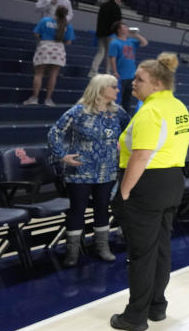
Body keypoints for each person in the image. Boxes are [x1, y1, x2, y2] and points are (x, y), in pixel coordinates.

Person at [109, 53, 189, 331]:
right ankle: (157, 306)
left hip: (146, 184)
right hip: (172, 181)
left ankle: (135, 316)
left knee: (141, 253)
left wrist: (124, 191)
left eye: (139, 79)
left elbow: (141, 156)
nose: (134, 83)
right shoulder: (178, 106)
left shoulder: (150, 111)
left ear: (156, 83)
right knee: (161, 248)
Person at [47, 74, 130, 266]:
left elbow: (131, 131)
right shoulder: (78, 111)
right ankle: (72, 251)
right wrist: (62, 155)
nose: (118, 90)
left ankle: (102, 247)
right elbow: (55, 132)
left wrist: (125, 152)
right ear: (101, 89)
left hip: (107, 171)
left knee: (102, 209)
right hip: (80, 171)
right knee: (77, 210)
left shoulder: (118, 112)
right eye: (114, 87)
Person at [24, 6, 74, 106]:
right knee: (53, 75)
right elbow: (68, 42)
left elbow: (36, 34)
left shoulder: (45, 20)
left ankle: (34, 98)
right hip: (59, 49)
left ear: (55, 12)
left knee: (39, 73)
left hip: (45, 47)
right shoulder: (67, 25)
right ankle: (48, 99)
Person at [108, 21, 149, 115]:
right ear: (118, 30)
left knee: (128, 99)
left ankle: (125, 117)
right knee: (117, 98)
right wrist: (114, 71)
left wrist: (136, 34)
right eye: (124, 27)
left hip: (131, 75)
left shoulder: (131, 41)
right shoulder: (114, 43)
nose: (127, 29)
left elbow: (145, 42)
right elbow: (112, 58)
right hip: (120, 75)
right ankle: (114, 115)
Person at [90, 0, 123, 76]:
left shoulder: (103, 6)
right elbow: (117, 22)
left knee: (100, 51)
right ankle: (107, 72)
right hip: (111, 34)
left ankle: (93, 71)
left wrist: (98, 32)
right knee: (109, 53)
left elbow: (99, 20)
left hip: (101, 32)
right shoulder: (116, 8)